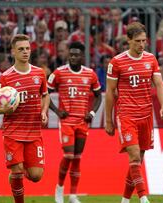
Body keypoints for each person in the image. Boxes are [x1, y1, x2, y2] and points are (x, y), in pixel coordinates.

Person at [105, 22, 163, 203]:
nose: (142, 44)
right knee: (133, 155)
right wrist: (108, 120)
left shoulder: (151, 59)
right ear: (129, 40)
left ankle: (125, 200)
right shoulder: (117, 62)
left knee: (138, 160)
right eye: (138, 41)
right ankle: (143, 198)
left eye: (144, 41)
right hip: (126, 115)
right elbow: (110, 92)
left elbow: (159, 84)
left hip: (146, 115)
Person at [0, 34, 50, 203]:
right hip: (13, 132)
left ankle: (18, 171)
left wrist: (44, 111)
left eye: (27, 49)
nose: (25, 52)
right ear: (13, 52)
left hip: (34, 132)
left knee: (36, 176)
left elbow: (46, 96)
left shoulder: (39, 73)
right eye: (21, 49)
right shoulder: (6, 77)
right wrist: (4, 109)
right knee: (17, 172)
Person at [47, 41, 102, 203]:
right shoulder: (59, 73)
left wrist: (92, 112)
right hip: (66, 122)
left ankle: (73, 195)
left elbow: (99, 95)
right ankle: (59, 189)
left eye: (76, 55)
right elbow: (45, 93)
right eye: (71, 54)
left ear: (82, 56)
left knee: (77, 158)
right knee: (69, 155)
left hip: (82, 122)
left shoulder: (90, 74)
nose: (73, 57)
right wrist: (57, 111)